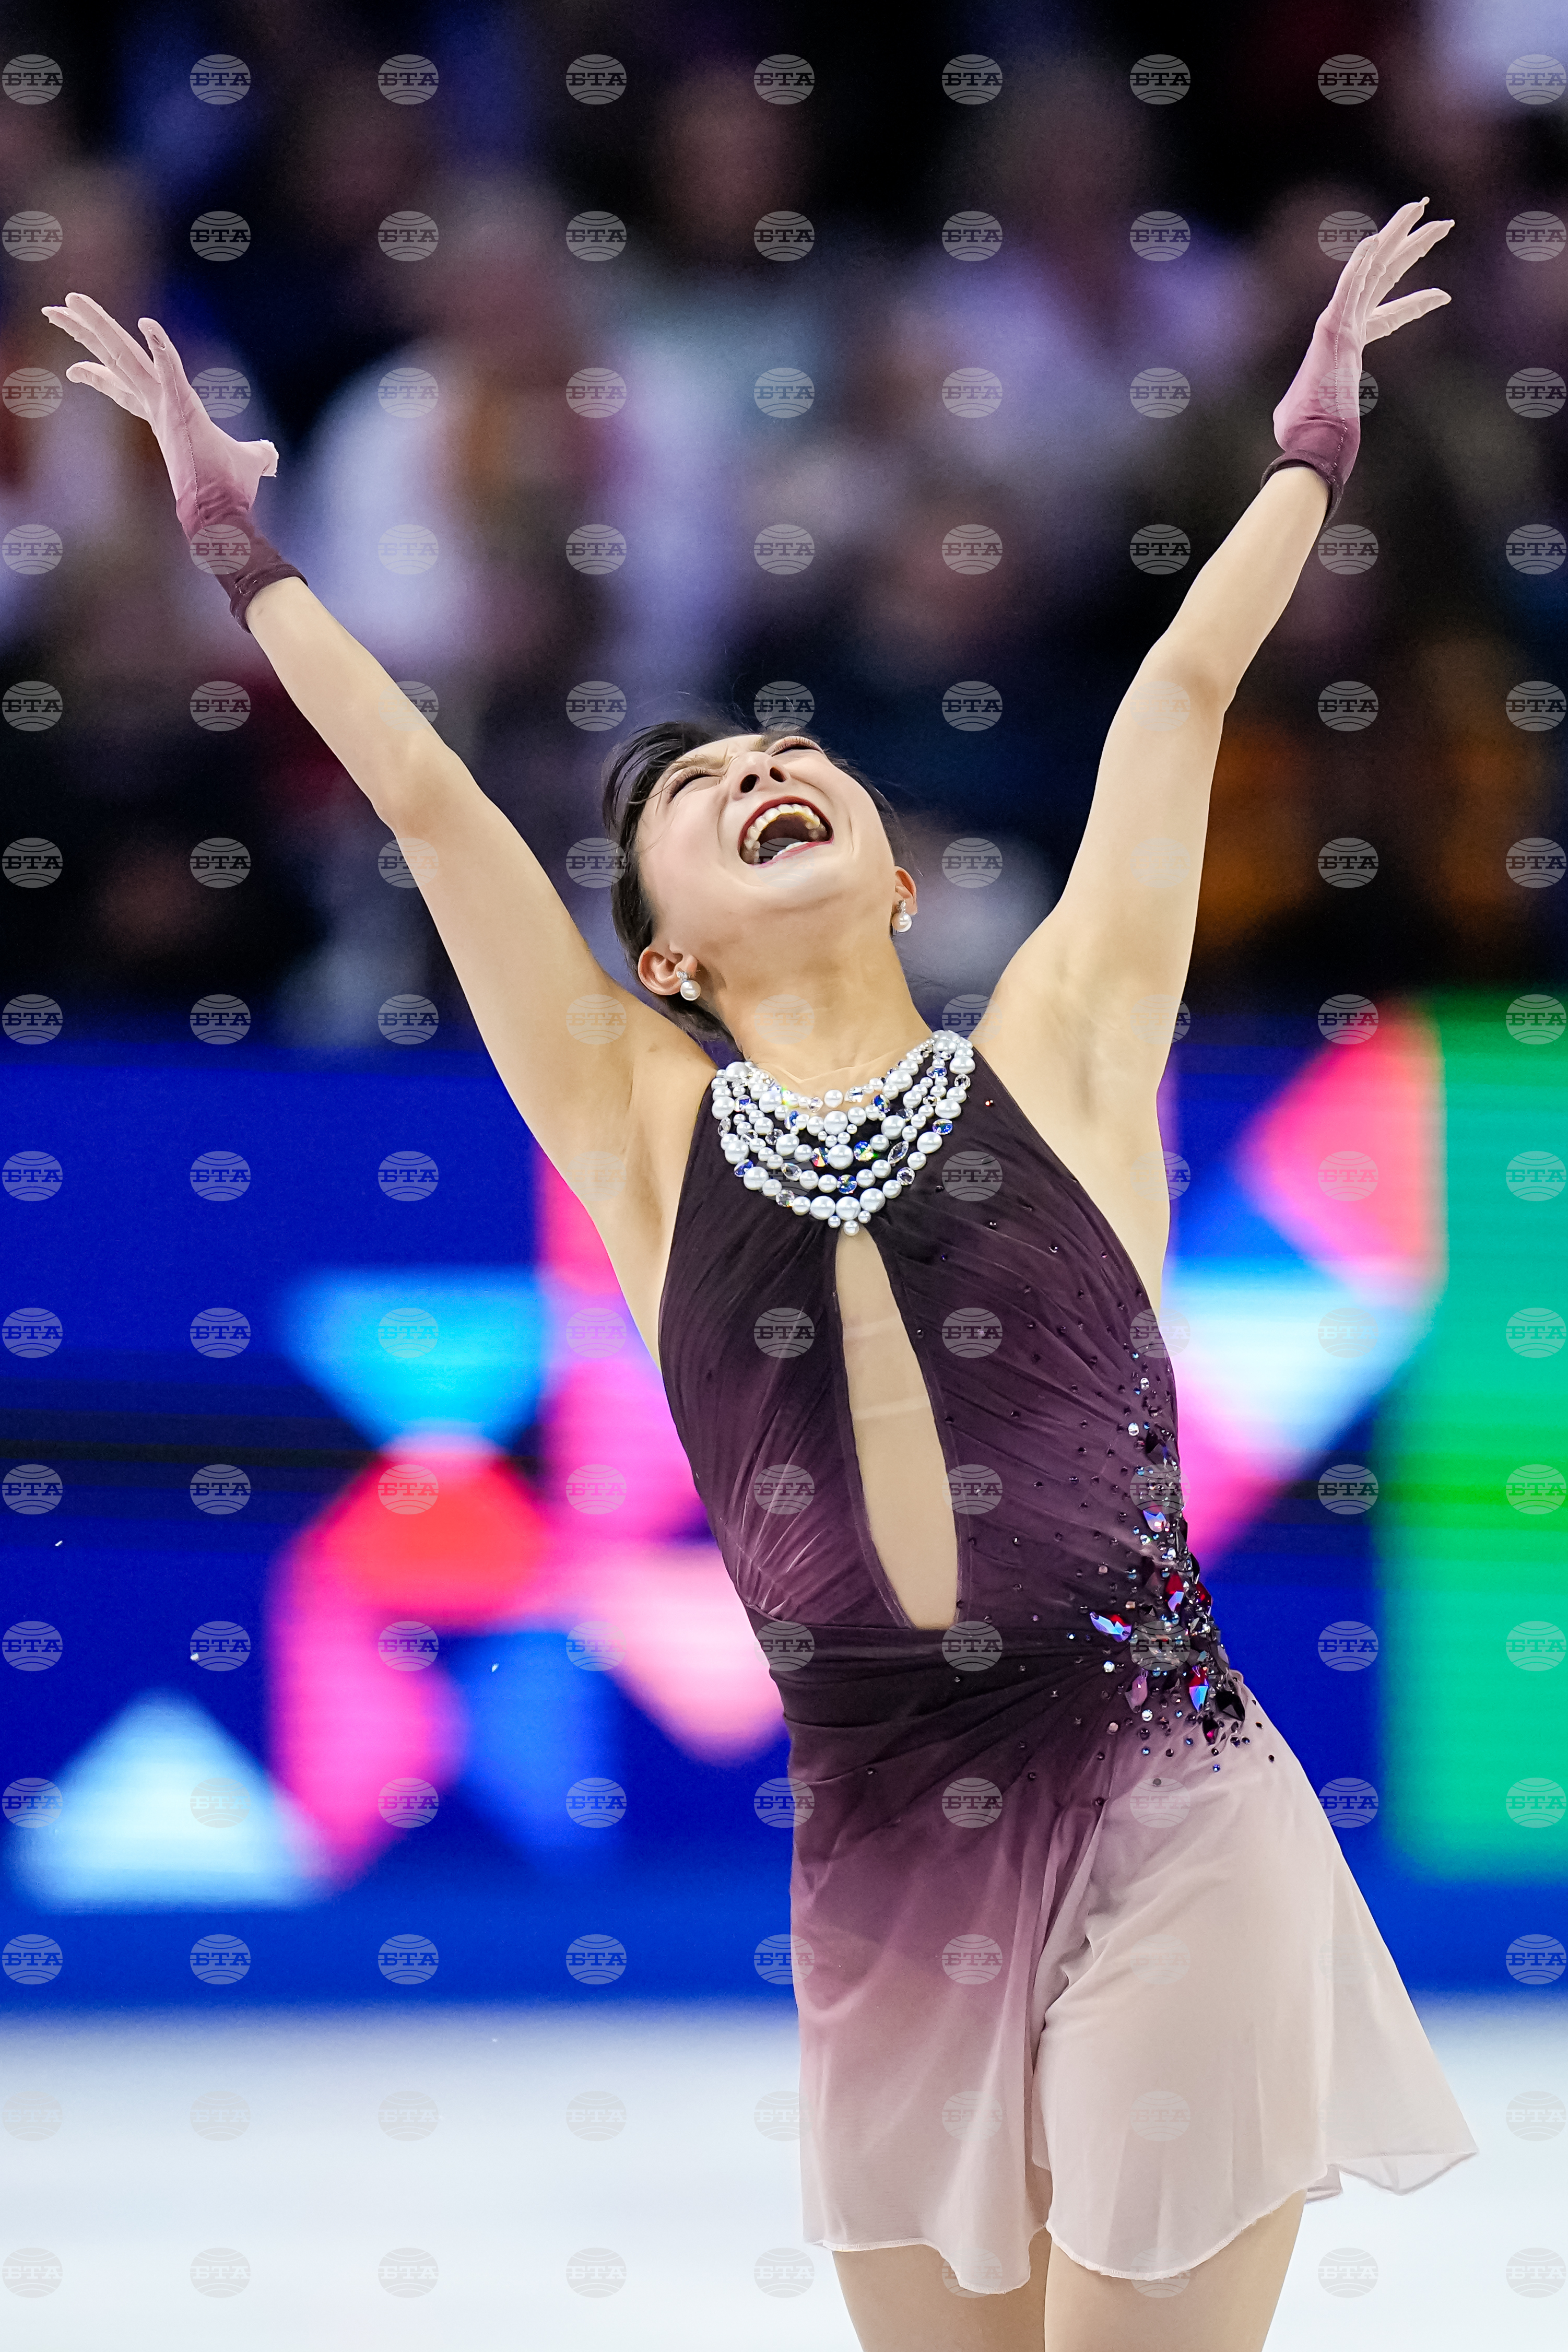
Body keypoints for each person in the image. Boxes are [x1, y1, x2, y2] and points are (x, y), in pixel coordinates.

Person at [46, 199, 1476, 2351]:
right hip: (889, 1867)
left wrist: (1306, 453)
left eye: (793, 761)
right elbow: (434, 812)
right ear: (664, 954)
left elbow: (1180, 693)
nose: (764, 773)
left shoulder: (1068, 1055)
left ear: (899, 867)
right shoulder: (642, 1136)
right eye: (706, 793)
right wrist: (248, 562)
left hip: (1176, 1812)